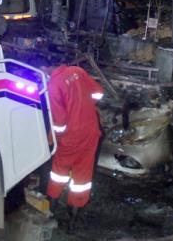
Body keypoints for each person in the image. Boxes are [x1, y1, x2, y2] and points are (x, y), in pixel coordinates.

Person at [37, 58, 104, 230]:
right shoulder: (77, 71)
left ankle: (49, 211)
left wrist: (53, 141)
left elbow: (59, 122)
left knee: (58, 173)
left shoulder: (53, 85)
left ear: (45, 68)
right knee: (82, 178)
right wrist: (84, 105)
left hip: (71, 138)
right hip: (91, 132)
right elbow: (98, 92)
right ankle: (72, 222)